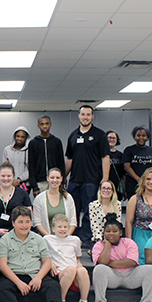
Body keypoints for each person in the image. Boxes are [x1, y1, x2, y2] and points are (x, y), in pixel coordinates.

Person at [0, 206, 78, 302]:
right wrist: (18, 283)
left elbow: (47, 261)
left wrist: (39, 278)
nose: (24, 225)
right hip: (14, 275)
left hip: (35, 273)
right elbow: (2, 265)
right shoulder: (5, 240)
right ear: (13, 223)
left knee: (52, 285)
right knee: (2, 287)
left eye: (27, 222)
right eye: (20, 222)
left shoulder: (38, 239)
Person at [92, 215, 152, 302]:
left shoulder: (129, 242)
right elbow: (102, 262)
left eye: (115, 231)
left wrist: (110, 263)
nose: (111, 234)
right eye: (108, 231)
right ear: (104, 232)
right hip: (112, 277)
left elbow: (131, 262)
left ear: (120, 232)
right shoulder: (98, 245)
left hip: (131, 276)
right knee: (99, 269)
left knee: (150, 269)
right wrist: (108, 245)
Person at [65, 105, 110, 247]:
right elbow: (69, 159)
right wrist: (63, 178)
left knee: (89, 211)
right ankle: (73, 237)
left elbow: (105, 157)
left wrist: (105, 178)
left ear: (92, 116)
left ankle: (86, 239)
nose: (85, 117)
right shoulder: (73, 135)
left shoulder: (99, 135)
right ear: (78, 115)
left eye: (88, 115)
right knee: (73, 210)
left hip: (92, 180)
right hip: (74, 180)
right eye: (83, 114)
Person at [44, 214, 91, 302]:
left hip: (73, 270)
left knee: (82, 271)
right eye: (59, 227)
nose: (63, 229)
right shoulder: (47, 239)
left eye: (65, 227)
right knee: (71, 269)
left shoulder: (75, 240)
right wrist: (49, 263)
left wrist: (79, 265)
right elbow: (42, 256)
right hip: (59, 272)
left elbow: (77, 258)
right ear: (53, 228)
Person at [0, 162, 32, 235]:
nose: (6, 179)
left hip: (18, 233)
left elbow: (29, 214)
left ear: (13, 176)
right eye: (3, 176)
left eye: (9, 176)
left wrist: (17, 230)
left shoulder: (22, 193)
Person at [32, 168, 77, 236]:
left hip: (65, 238)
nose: (55, 180)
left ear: (61, 179)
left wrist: (66, 236)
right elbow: (37, 222)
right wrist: (49, 237)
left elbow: (73, 222)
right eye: (52, 177)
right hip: (47, 238)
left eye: (57, 178)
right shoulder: (39, 199)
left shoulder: (68, 197)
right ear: (47, 178)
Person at [28, 116, 65, 197]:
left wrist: (62, 182)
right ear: (38, 126)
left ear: (50, 124)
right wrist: (34, 186)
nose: (44, 126)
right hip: (40, 183)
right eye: (42, 124)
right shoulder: (33, 143)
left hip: (55, 181)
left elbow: (61, 163)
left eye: (47, 123)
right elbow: (31, 165)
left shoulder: (57, 142)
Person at [123, 126, 152, 200]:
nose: (141, 137)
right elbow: (127, 166)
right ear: (134, 137)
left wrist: (151, 179)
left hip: (149, 185)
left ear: (147, 137)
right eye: (138, 135)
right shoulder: (129, 150)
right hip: (133, 185)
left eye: (144, 135)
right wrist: (139, 179)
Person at [2, 126, 30, 192]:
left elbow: (31, 169)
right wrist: (12, 180)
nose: (19, 138)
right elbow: (4, 167)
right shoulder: (7, 150)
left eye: (22, 137)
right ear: (14, 137)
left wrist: (19, 179)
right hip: (9, 183)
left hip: (25, 185)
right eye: (18, 136)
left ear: (26, 138)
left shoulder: (29, 150)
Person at [106, 130, 125, 201]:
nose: (112, 140)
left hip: (116, 185)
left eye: (114, 138)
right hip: (103, 184)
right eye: (109, 137)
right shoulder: (100, 154)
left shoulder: (120, 155)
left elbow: (123, 173)